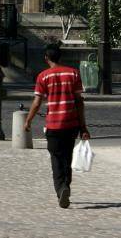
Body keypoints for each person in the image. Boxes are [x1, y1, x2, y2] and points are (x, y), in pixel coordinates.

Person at [24, 43, 89, 209]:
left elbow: (37, 102)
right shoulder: (73, 73)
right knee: (67, 158)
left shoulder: (43, 76)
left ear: (46, 58)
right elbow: (79, 102)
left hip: (53, 125)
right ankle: (66, 186)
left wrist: (28, 120)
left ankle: (60, 188)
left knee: (56, 158)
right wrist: (83, 127)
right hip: (71, 124)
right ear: (60, 57)